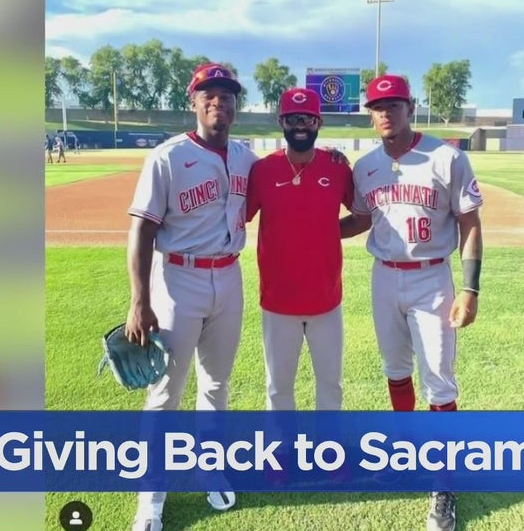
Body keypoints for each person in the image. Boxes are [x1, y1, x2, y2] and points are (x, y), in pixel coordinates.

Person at [339, 74, 484, 531]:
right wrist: (309, 229)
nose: (385, 112)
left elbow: (470, 222)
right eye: (377, 106)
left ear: (410, 106)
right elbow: (361, 219)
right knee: (395, 371)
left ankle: (444, 482)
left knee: (439, 379)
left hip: (432, 281)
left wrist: (470, 288)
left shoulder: (446, 157)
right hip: (384, 278)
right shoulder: (365, 166)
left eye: (393, 104)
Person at [124, 62, 257, 531]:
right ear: (194, 102)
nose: (218, 102)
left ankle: (210, 466)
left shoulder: (244, 157)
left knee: (216, 386)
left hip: (230, 277)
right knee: (165, 394)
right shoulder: (166, 157)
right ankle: (150, 498)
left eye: (226, 95)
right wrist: (140, 301)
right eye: (209, 95)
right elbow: (141, 231)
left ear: (236, 107)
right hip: (178, 281)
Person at [245, 87, 353, 412]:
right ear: (282, 122)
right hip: (278, 301)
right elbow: (237, 218)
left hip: (326, 300)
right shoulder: (262, 170)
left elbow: (363, 215)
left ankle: (328, 454)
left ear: (318, 122)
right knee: (278, 389)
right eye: (293, 118)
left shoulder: (337, 168)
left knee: (331, 386)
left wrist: (324, 233)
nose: (301, 125)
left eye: (308, 118)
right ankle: (279, 455)